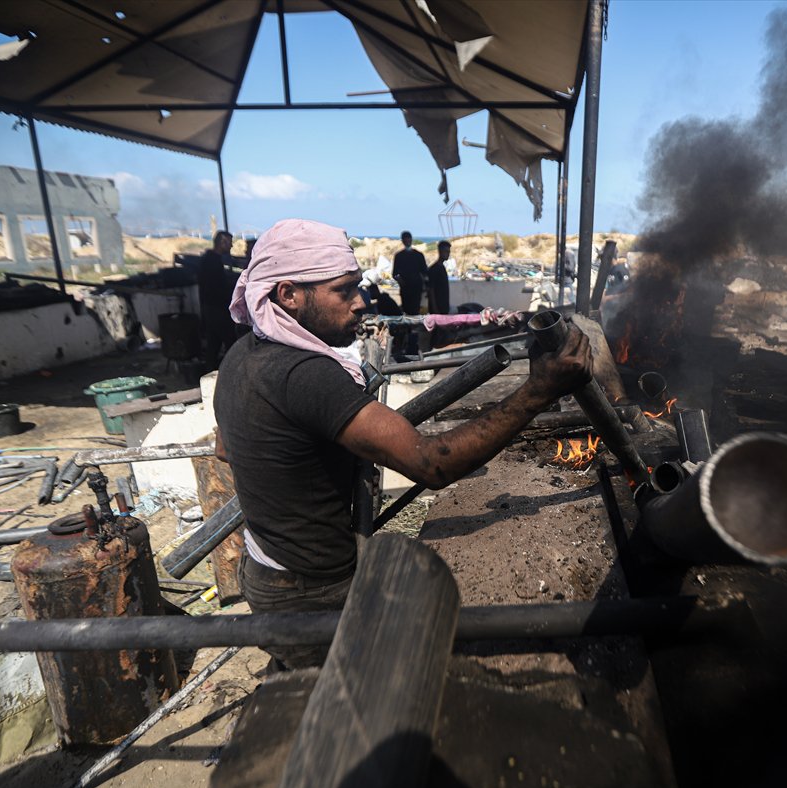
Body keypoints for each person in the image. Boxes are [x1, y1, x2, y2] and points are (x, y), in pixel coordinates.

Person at [214, 219, 591, 671]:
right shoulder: (304, 375)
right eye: (344, 291)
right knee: (395, 678)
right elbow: (433, 465)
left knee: (311, 670)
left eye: (359, 287)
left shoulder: (242, 355)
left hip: (263, 570)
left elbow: (225, 450)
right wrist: (538, 391)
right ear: (289, 294)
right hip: (312, 593)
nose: (361, 303)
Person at [199, 230, 239, 366]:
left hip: (209, 307)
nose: (232, 246)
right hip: (217, 309)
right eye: (230, 242)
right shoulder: (213, 262)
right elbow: (217, 287)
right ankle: (232, 371)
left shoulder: (208, 259)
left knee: (213, 343)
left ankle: (209, 372)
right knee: (230, 341)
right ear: (222, 242)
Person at [391, 231, 427, 315]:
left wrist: (423, 285)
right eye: (405, 240)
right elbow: (394, 274)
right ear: (402, 241)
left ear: (411, 240)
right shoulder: (399, 256)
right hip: (406, 289)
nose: (407, 241)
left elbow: (424, 272)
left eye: (408, 239)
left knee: (414, 310)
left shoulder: (418, 255)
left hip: (416, 288)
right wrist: (401, 282)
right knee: (407, 310)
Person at [427, 239, 452, 314]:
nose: (448, 254)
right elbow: (431, 290)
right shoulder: (434, 269)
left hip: (444, 307)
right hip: (437, 309)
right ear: (440, 251)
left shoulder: (442, 267)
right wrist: (435, 309)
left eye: (449, 252)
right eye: (446, 251)